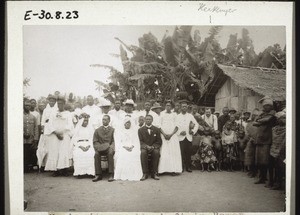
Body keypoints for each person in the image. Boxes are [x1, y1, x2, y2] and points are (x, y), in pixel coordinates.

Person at [43, 96, 74, 176]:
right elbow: (50, 125)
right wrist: (56, 133)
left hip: (64, 135)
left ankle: (64, 170)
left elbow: (70, 125)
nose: (60, 105)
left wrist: (62, 132)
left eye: (61, 104)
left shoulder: (68, 114)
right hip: (55, 135)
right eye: (58, 104)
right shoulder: (53, 113)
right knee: (55, 152)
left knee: (64, 151)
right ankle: (55, 170)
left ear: (64, 104)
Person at [253, 97, 276, 185]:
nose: (266, 107)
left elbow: (267, 119)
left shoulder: (273, 113)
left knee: (267, 161)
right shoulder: (262, 113)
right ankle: (261, 178)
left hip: (267, 139)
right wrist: (260, 121)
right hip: (259, 139)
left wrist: (259, 121)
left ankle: (270, 180)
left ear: (271, 106)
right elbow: (254, 122)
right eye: (265, 105)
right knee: (259, 161)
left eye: (268, 106)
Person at [114, 117, 143, 181]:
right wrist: (125, 147)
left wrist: (132, 146)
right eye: (126, 123)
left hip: (132, 146)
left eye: (129, 123)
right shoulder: (120, 131)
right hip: (123, 146)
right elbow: (118, 141)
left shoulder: (134, 131)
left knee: (134, 153)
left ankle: (133, 174)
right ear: (124, 124)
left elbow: (136, 141)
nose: (128, 124)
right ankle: (124, 174)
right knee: (123, 154)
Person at [158, 101, 182, 175]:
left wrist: (171, 135)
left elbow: (177, 126)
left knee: (172, 153)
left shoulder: (175, 115)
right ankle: (162, 170)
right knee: (164, 152)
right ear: (165, 106)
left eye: (169, 105)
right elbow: (159, 126)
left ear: (171, 107)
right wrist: (164, 134)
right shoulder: (161, 114)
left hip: (173, 137)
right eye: (166, 105)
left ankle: (173, 170)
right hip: (163, 136)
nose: (168, 107)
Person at [176, 100, 199, 172]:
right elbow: (175, 127)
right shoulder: (177, 116)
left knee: (188, 153)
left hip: (188, 137)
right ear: (180, 107)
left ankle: (188, 167)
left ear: (187, 108)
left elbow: (197, 124)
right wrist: (179, 132)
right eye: (183, 107)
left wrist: (193, 131)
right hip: (180, 138)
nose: (184, 108)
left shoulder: (190, 116)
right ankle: (181, 167)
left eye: (185, 107)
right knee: (181, 153)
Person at [138, 115, 162, 180]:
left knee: (156, 152)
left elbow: (159, 141)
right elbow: (140, 141)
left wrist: (153, 146)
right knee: (143, 153)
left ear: (152, 120)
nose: (148, 120)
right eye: (147, 119)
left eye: (150, 119)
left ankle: (154, 173)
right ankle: (145, 173)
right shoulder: (140, 130)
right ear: (145, 120)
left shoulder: (156, 129)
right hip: (145, 147)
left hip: (153, 147)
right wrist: (146, 146)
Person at [92, 115, 115, 182]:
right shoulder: (97, 130)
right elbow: (95, 141)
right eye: (103, 119)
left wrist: (111, 146)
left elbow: (114, 140)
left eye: (105, 120)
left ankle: (111, 174)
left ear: (109, 121)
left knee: (110, 153)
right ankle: (98, 174)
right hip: (100, 148)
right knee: (96, 154)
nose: (104, 121)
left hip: (109, 147)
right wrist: (100, 147)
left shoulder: (112, 130)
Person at [72, 113, 95, 178]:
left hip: (88, 144)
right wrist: (80, 146)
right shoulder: (77, 128)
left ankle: (89, 172)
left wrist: (89, 146)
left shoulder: (90, 128)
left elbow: (92, 138)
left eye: (87, 121)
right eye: (84, 121)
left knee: (90, 153)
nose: (86, 122)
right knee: (78, 153)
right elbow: (74, 139)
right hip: (79, 145)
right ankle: (80, 173)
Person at [268, 111, 286, 190]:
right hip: (273, 149)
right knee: (271, 166)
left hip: (282, 150)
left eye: (285, 118)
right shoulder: (274, 129)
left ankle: (279, 184)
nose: (283, 120)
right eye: (281, 118)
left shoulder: (287, 129)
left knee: (280, 167)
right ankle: (271, 182)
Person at [24, 99, 39, 172]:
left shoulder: (33, 117)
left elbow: (36, 128)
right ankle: (24, 167)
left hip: (30, 139)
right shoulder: (19, 115)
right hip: (22, 139)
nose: (27, 107)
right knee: (23, 152)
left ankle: (29, 167)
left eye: (29, 106)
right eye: (26, 105)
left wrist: (36, 138)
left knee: (30, 153)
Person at [244, 108, 260, 177]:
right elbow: (247, 132)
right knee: (250, 157)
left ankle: (256, 172)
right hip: (250, 142)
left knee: (256, 158)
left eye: (256, 115)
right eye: (253, 115)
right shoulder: (249, 124)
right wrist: (250, 138)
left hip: (257, 142)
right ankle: (251, 171)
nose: (254, 116)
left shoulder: (259, 124)